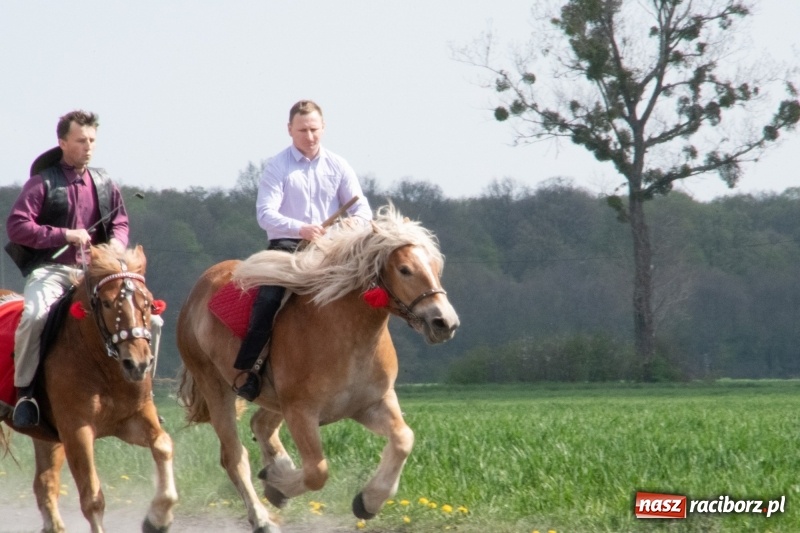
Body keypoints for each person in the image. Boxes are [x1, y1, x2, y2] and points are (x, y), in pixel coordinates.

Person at [5, 110, 162, 428]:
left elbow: (119, 221)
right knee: (34, 316)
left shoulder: (105, 182)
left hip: (96, 273)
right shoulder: (41, 183)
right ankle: (26, 394)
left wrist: (117, 242)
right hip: (51, 270)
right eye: (80, 141)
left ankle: (144, 395)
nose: (87, 147)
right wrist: (64, 235)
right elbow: (17, 226)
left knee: (154, 320)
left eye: (91, 140)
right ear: (62, 143)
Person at [234, 99, 372, 401]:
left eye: (314, 129)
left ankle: (369, 370)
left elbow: (362, 209)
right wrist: (301, 229)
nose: (309, 136)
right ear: (289, 130)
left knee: (374, 290)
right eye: (302, 130)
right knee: (268, 300)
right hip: (287, 248)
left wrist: (354, 224)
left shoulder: (338, 165)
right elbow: (265, 214)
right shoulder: (277, 166)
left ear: (323, 128)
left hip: (332, 250)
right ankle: (250, 370)